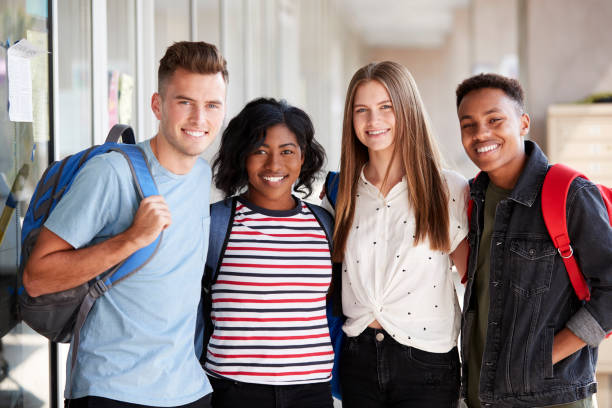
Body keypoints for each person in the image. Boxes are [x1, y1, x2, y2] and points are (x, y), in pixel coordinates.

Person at [22, 41, 228, 408]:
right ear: (157, 105)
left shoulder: (200, 175)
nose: (200, 119)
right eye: (185, 102)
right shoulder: (111, 173)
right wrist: (132, 238)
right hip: (111, 390)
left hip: (188, 389)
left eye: (212, 105)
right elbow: (37, 277)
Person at [456, 73, 612, 407]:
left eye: (494, 120)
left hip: (552, 398)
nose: (481, 133)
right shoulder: (472, 198)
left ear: (523, 122)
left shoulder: (569, 193)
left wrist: (545, 357)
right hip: (482, 396)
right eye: (468, 125)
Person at [323, 61, 469, 408]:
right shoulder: (339, 191)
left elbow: (473, 281)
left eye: (386, 107)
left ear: (407, 109)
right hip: (357, 358)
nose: (373, 121)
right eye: (362, 110)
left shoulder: (447, 187)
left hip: (426, 362)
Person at [200, 98, 335, 408]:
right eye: (260, 151)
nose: (274, 165)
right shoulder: (215, 223)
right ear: (241, 156)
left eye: (287, 151)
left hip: (311, 392)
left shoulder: (324, 224)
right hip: (235, 392)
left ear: (303, 157)